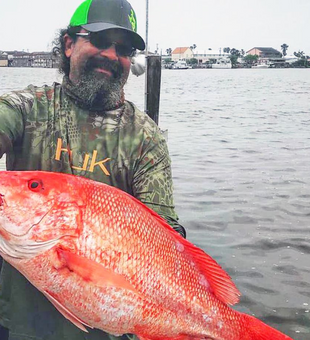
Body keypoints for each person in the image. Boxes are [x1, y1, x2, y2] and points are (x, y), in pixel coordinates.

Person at [0, 0, 185, 339]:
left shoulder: (146, 139)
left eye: (124, 49)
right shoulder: (30, 107)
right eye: (100, 41)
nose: (112, 56)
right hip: (18, 321)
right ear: (69, 45)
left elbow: (167, 238)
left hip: (111, 324)